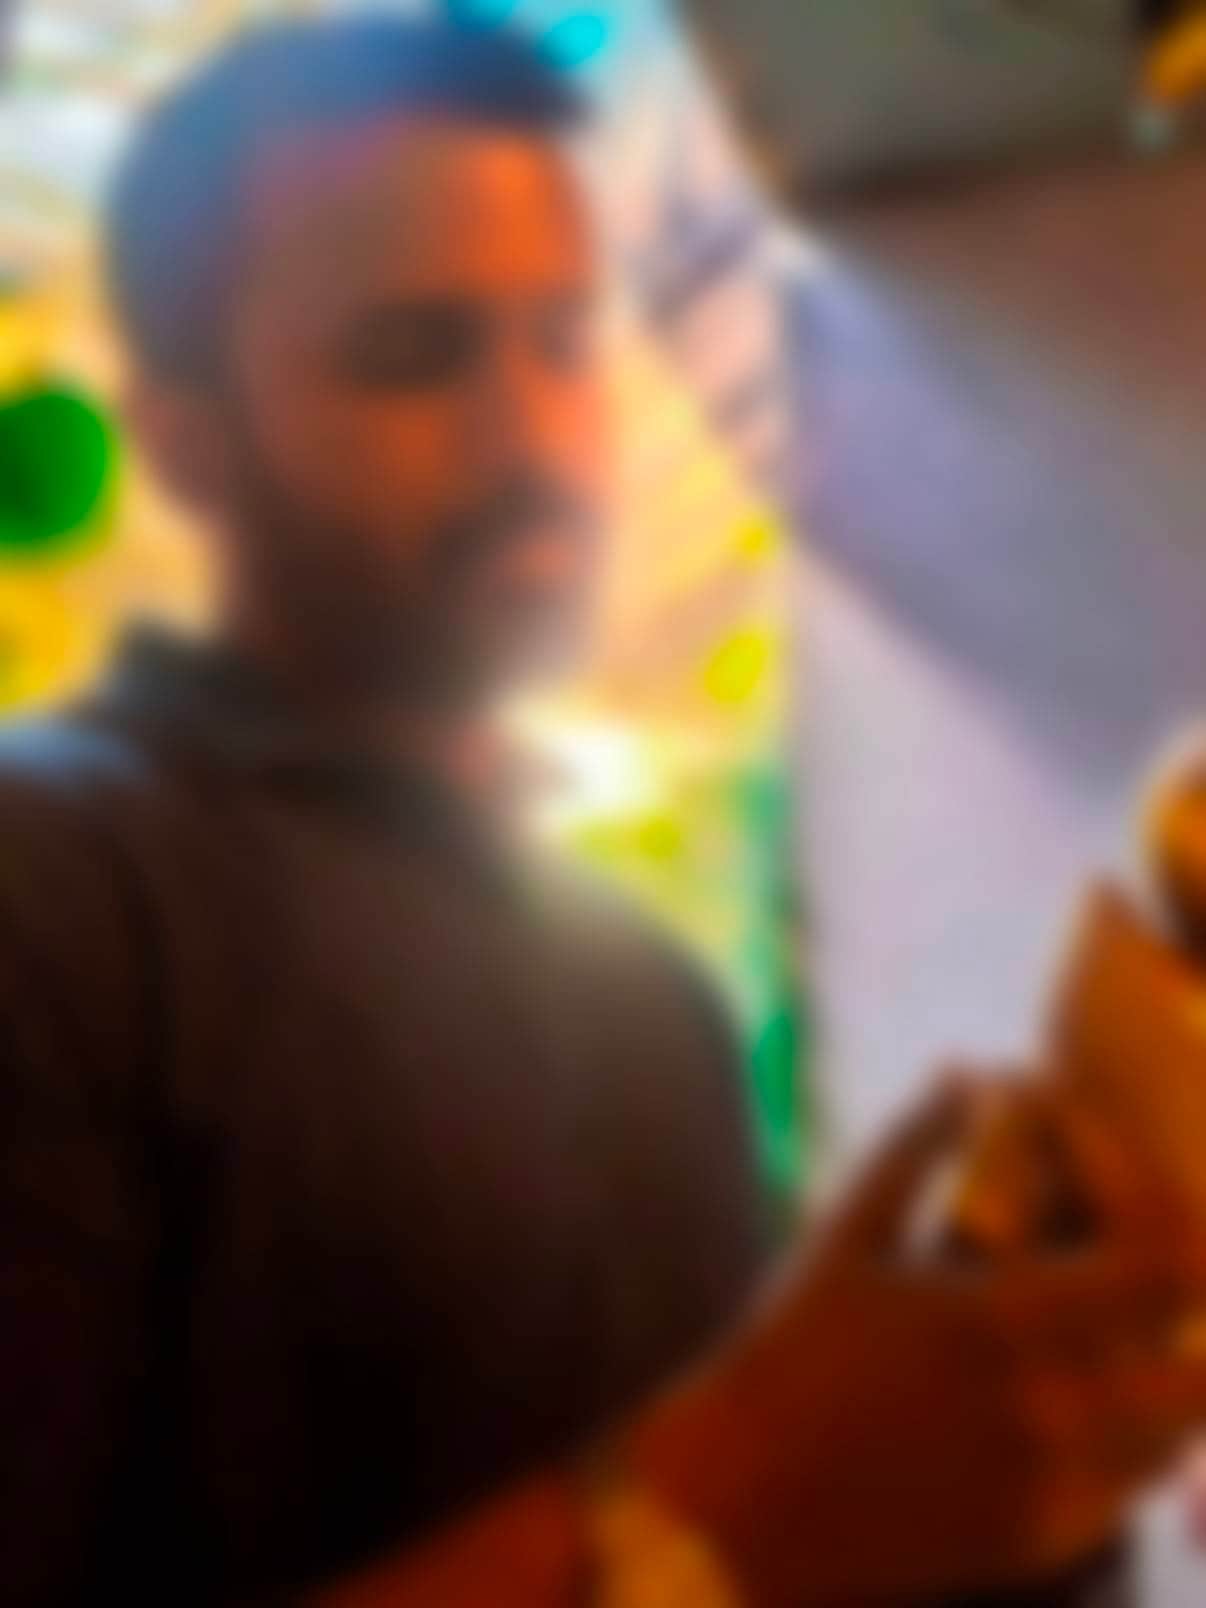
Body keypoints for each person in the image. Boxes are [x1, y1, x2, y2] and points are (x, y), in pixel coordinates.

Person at [4, 16, 1206, 1606]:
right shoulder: (57, 882)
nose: (529, 432)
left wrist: (1022, 1450)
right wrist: (734, 1475)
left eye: (565, 338)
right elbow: (719, 1511)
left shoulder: (650, 1004)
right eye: (413, 353)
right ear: (186, 443)